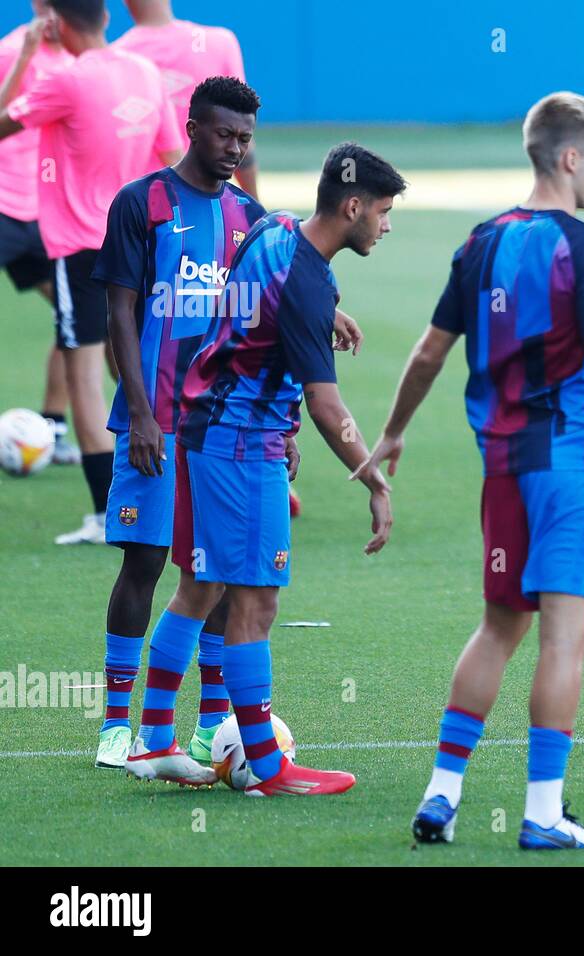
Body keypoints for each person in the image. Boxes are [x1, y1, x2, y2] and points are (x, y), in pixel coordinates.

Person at [356, 92, 584, 849]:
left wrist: (390, 434)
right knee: (563, 641)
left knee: (498, 627)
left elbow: (427, 353)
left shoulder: (481, 242)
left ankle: (442, 794)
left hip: (502, 467)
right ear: (572, 157)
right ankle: (543, 813)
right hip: (571, 463)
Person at [122, 143, 402, 794]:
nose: (387, 225)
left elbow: (254, 314)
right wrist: (373, 475)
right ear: (353, 207)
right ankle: (270, 770)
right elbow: (329, 406)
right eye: (384, 212)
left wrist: (318, 318)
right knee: (257, 600)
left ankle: (155, 744)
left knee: (201, 588)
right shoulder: (308, 278)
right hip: (243, 447)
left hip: (202, 428)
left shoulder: (273, 228)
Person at [90, 76, 266, 772]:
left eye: (246, 138)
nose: (235, 148)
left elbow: (262, 322)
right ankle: (114, 725)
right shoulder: (144, 204)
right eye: (225, 134)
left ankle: (209, 729)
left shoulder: (250, 217)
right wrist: (138, 413)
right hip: (154, 418)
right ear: (192, 127)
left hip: (222, 429)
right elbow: (120, 316)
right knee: (146, 562)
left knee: (220, 572)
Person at [0, 0, 183, 545]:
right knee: (136, 362)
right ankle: (155, 494)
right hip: (144, 242)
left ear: (53, 21)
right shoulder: (145, 73)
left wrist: (27, 55)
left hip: (83, 247)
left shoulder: (67, 80)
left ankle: (109, 513)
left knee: (83, 371)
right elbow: (173, 159)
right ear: (105, 15)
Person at [0, 3, 78, 464]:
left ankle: (54, 426)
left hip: (48, 215)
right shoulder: (11, 50)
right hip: (3, 206)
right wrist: (26, 55)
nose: (53, 15)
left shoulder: (76, 62)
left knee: (78, 318)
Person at [116, 0, 258, 198]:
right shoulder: (219, 43)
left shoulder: (116, 58)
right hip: (201, 203)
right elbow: (243, 140)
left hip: (141, 205)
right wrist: (256, 211)